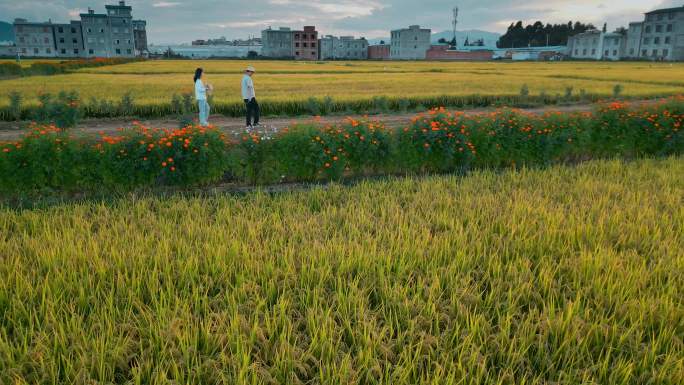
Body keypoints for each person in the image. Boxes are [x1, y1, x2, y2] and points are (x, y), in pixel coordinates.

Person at [242, 65, 259, 130]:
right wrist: (251, 97)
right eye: (252, 72)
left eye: (253, 72)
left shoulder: (244, 77)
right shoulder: (248, 78)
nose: (252, 73)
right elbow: (249, 88)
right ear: (248, 71)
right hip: (250, 97)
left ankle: (248, 124)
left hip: (246, 97)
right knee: (256, 109)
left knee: (249, 110)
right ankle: (255, 123)